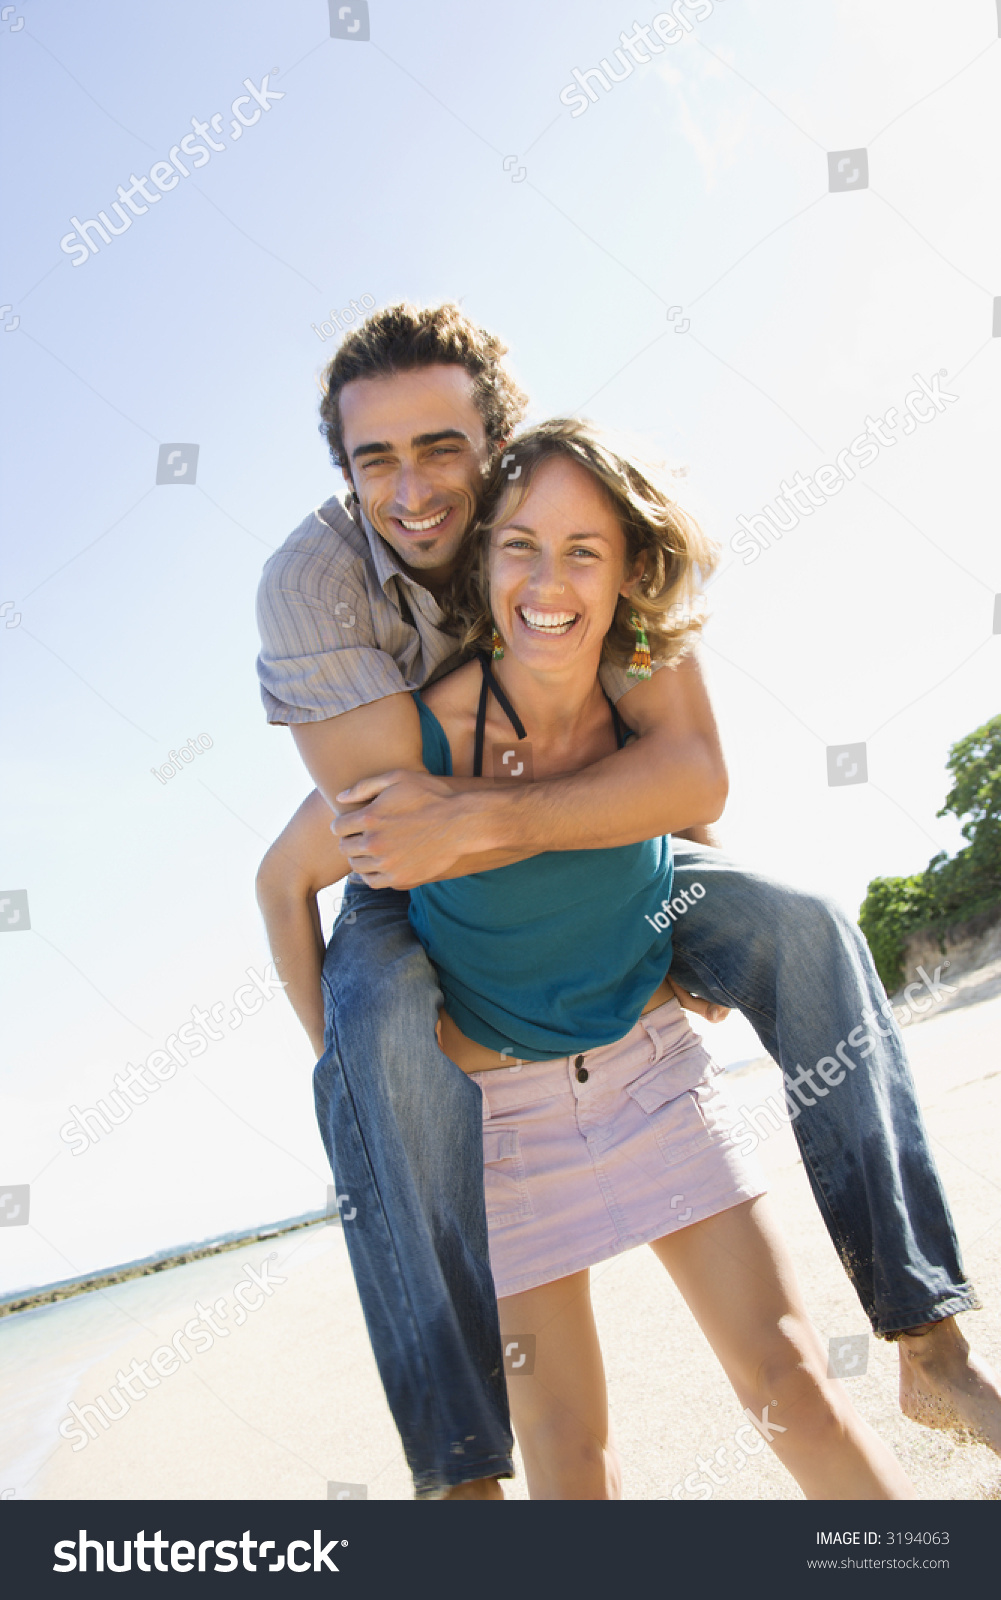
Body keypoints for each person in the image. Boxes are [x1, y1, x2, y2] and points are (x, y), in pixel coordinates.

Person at [255, 302, 999, 1498]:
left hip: (628, 1026)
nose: (412, 488)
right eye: (373, 458)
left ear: (494, 450)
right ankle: (456, 1473)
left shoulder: (594, 564)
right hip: (461, 1016)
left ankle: (931, 1344)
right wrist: (383, 1095)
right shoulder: (343, 616)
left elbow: (685, 772)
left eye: (441, 447)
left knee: (797, 923)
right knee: (567, 1448)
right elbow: (346, 848)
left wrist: (667, 926)